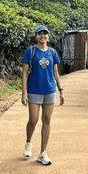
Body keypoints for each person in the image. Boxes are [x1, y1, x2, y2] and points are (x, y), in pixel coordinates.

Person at [21, 25, 64, 165]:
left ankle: (43, 153)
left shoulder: (52, 52)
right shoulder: (31, 51)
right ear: (36, 36)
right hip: (34, 89)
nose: (42, 36)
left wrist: (61, 90)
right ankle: (28, 143)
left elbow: (56, 72)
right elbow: (25, 73)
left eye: (45, 34)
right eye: (40, 34)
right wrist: (24, 93)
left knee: (47, 120)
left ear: (48, 37)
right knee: (33, 120)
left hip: (50, 90)